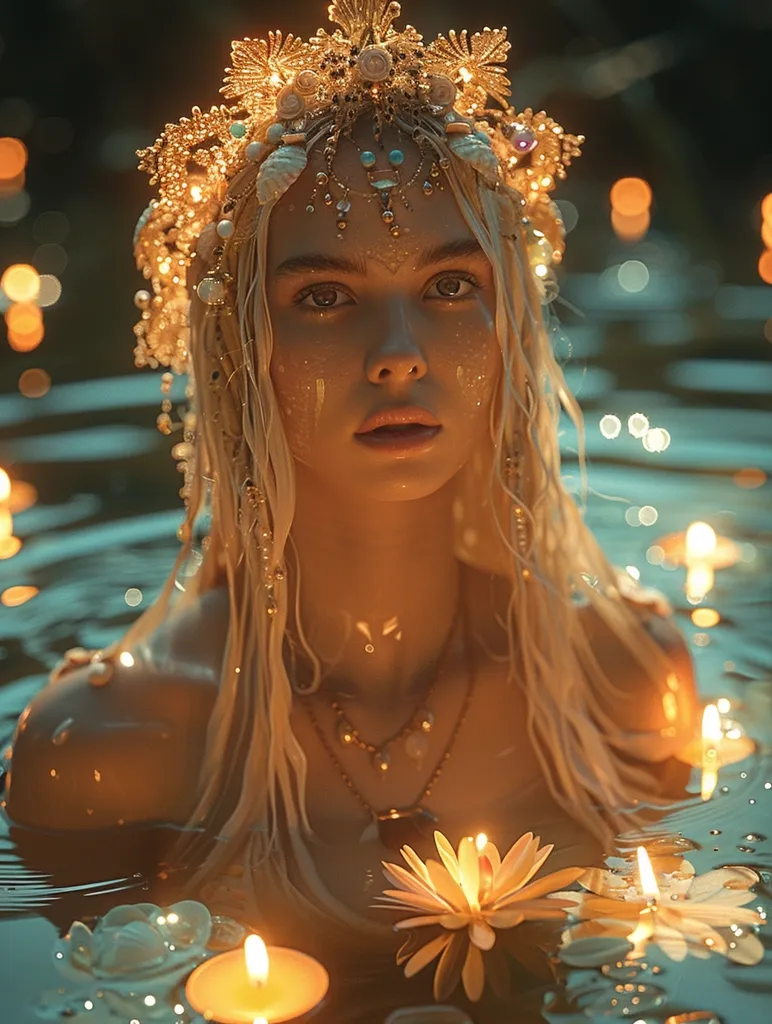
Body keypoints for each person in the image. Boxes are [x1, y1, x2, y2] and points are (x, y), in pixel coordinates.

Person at [7, 0, 696, 950]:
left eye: (450, 286)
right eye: (324, 297)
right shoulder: (108, 751)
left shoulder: (621, 688)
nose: (400, 354)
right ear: (238, 347)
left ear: (511, 331)